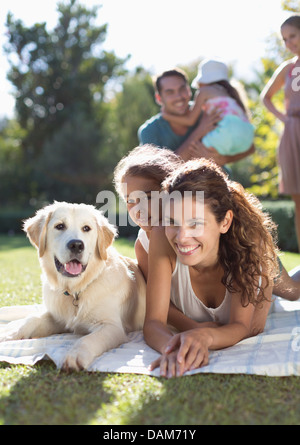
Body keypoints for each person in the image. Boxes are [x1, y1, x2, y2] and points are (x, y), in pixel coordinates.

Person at [143, 158, 281, 377]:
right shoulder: (161, 236)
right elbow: (153, 322)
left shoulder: (248, 247)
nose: (181, 237)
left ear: (224, 222)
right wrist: (171, 349)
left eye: (195, 223)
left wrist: (205, 336)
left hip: (266, 288)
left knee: (293, 290)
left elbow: (242, 326)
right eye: (172, 221)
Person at [138, 68, 255, 167]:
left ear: (189, 90)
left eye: (182, 89)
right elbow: (163, 170)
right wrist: (200, 130)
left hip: (221, 187)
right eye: (170, 92)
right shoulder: (149, 131)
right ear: (159, 98)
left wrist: (224, 160)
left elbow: (250, 148)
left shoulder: (209, 111)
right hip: (182, 194)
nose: (178, 96)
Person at [260, 15, 300, 251]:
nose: (288, 43)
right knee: (298, 202)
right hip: (293, 133)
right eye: (284, 39)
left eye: (292, 36)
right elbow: (265, 97)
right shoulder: (288, 68)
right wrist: (284, 118)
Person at [161, 59, 255, 157]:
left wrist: (166, 116)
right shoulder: (230, 93)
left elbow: (190, 120)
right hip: (246, 136)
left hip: (226, 133)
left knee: (195, 151)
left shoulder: (204, 91)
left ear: (202, 81)